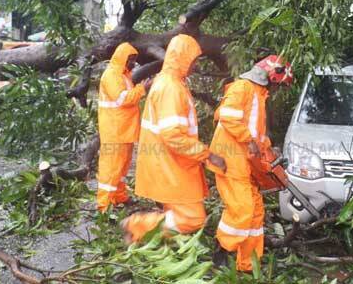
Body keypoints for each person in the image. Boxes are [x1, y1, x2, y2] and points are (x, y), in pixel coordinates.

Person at [121, 34, 226, 243]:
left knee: (179, 213)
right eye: (193, 60)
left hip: (169, 163)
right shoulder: (171, 87)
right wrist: (207, 154)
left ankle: (155, 238)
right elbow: (173, 135)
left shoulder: (169, 82)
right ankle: (138, 226)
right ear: (183, 58)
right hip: (170, 164)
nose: (195, 66)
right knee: (193, 219)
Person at [208, 55, 293, 271]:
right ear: (271, 77)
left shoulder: (259, 95)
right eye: (277, 85)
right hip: (230, 159)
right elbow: (228, 117)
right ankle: (221, 251)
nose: (276, 90)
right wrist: (249, 140)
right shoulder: (242, 88)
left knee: (255, 212)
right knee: (242, 208)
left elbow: (256, 134)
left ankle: (248, 263)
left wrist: (267, 148)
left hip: (244, 162)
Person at [96, 42, 151, 212]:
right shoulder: (111, 75)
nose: (133, 63)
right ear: (122, 58)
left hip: (123, 129)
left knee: (122, 166)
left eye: (134, 59)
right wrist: (143, 88)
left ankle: (119, 197)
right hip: (114, 131)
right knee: (111, 167)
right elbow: (123, 100)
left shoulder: (123, 75)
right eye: (131, 59)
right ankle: (104, 205)